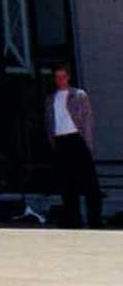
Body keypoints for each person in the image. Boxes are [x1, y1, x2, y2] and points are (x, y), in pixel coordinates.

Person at [44, 64, 101, 229]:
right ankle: (72, 219)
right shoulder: (51, 99)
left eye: (63, 76)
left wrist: (87, 142)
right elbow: (49, 123)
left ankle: (94, 220)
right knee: (67, 184)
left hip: (77, 138)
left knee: (90, 183)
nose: (60, 80)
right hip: (61, 141)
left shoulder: (79, 95)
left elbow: (87, 119)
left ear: (68, 77)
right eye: (57, 77)